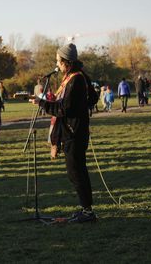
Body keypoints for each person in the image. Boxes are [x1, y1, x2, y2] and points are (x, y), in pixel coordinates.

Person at [31, 43, 96, 223]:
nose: (57, 64)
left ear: (66, 62)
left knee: (76, 172)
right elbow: (91, 98)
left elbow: (63, 109)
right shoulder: (75, 77)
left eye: (58, 61)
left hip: (74, 132)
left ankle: (88, 212)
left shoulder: (76, 79)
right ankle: (86, 209)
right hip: (72, 130)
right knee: (75, 171)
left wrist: (41, 103)